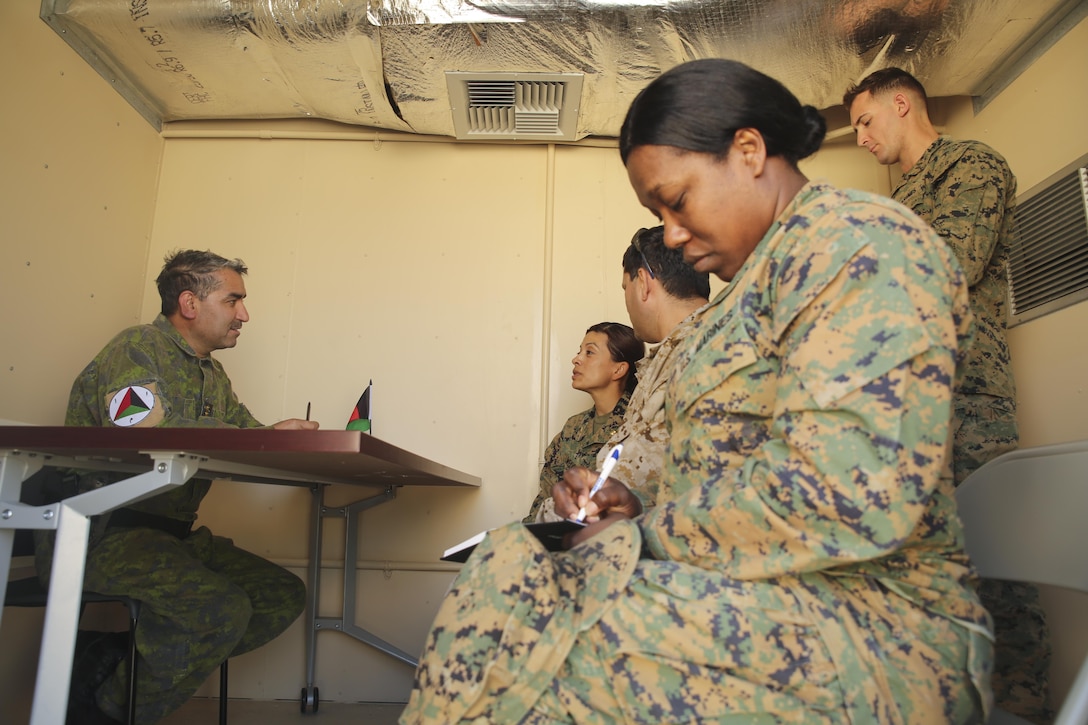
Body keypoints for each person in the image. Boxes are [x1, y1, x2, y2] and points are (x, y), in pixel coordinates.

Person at [401, 59, 993, 724]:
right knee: (511, 558)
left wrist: (638, 537)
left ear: (748, 152)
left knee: (542, 644)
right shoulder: (748, 294)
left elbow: (846, 497)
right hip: (765, 592)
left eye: (676, 201)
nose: (672, 235)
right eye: (658, 213)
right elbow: (730, 475)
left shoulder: (859, 248)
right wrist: (633, 503)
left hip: (879, 630)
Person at [844, 67, 1051, 723]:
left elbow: (947, 269)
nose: (859, 137)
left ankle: (1022, 703)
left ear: (900, 103)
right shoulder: (900, 203)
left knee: (996, 552)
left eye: (864, 120)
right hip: (908, 403)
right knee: (929, 557)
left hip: (969, 395)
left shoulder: (971, 166)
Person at [37, 249, 318, 724]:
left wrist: (281, 436)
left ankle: (114, 665)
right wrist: (262, 438)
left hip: (171, 539)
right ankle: (105, 709)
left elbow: (248, 438)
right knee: (223, 610)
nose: (244, 314)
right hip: (104, 536)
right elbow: (139, 427)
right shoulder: (137, 347)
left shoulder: (212, 373)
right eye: (234, 301)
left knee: (280, 595)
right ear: (190, 303)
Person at [594, 225, 710, 510]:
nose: (626, 300)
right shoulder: (670, 357)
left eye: (626, 287)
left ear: (643, 283)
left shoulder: (705, 352)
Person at [524, 321, 643, 523]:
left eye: (589, 352)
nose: (576, 359)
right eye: (580, 351)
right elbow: (545, 498)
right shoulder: (573, 427)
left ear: (618, 370)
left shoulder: (641, 424)